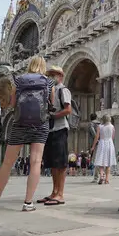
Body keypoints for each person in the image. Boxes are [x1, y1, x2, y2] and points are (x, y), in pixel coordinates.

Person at [0, 57, 52, 211]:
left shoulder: (18, 80)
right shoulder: (48, 82)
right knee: (35, 162)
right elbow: (50, 104)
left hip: (19, 123)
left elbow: (13, 103)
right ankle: (28, 203)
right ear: (43, 66)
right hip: (41, 124)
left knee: (7, 162)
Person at [35, 65, 71, 207]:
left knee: (60, 164)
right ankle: (54, 191)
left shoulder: (64, 90)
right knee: (53, 164)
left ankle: (60, 194)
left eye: (54, 75)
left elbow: (68, 110)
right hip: (50, 130)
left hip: (60, 128)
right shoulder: (49, 91)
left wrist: (53, 116)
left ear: (60, 76)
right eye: (49, 75)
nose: (51, 77)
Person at [91, 115, 117, 184]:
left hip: (102, 143)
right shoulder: (112, 127)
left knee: (101, 161)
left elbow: (96, 137)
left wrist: (93, 146)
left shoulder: (100, 127)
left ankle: (102, 176)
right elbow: (113, 137)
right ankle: (107, 179)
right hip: (109, 144)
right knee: (108, 163)